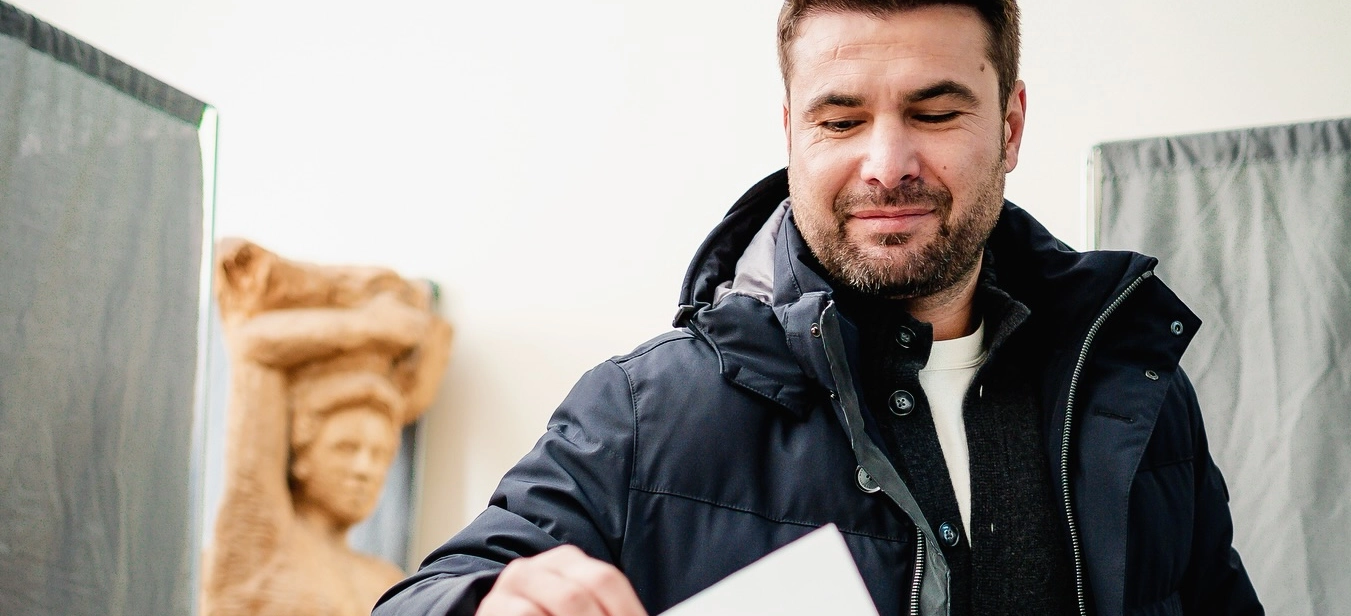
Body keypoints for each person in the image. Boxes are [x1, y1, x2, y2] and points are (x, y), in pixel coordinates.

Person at [374, 1, 1262, 614]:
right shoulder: (644, 411)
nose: (886, 162)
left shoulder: (1129, 390)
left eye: (934, 111)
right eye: (839, 121)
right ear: (791, 131)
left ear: (1011, 125)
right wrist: (487, 602)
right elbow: (427, 595)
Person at [205, 239, 452, 616]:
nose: (364, 469)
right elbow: (252, 347)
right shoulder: (262, 536)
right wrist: (368, 327)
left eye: (380, 455)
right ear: (302, 454)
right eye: (346, 448)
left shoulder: (386, 578)